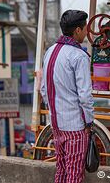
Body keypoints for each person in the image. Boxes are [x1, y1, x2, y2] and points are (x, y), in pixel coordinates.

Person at [40, 10, 94, 182]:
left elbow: (43, 89)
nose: (87, 32)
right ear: (77, 30)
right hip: (74, 126)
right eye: (85, 28)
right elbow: (85, 95)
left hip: (56, 124)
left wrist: (54, 112)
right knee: (74, 174)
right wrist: (88, 121)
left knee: (61, 171)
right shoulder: (79, 56)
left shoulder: (50, 51)